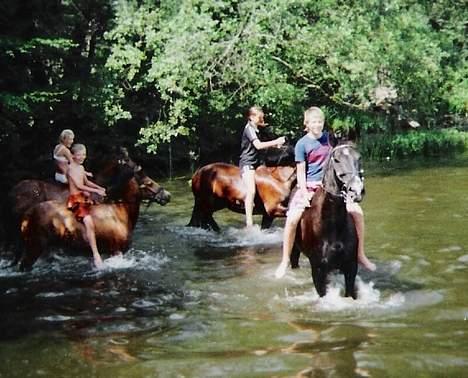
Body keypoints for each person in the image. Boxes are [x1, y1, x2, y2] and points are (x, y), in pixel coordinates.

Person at [275, 106, 375, 279]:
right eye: (314, 122)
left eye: (320, 121)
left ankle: (360, 254)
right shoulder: (302, 144)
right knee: (292, 219)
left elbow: (343, 156)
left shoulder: (330, 139)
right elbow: (301, 171)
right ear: (306, 124)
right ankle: (285, 259)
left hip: (333, 186)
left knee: (358, 212)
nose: (318, 125)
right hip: (310, 185)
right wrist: (305, 191)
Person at [239, 106, 286, 227]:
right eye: (260, 117)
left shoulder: (257, 129)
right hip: (248, 163)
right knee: (251, 190)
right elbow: (258, 145)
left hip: (258, 163)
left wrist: (275, 146)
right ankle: (249, 223)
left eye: (262, 117)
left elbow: (263, 145)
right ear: (251, 117)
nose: (262, 119)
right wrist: (275, 142)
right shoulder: (249, 129)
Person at [67, 144, 106, 269]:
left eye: (84, 154)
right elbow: (79, 185)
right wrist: (96, 192)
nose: (82, 157)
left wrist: (99, 187)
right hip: (76, 199)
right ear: (73, 156)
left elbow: (87, 182)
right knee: (88, 221)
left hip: (84, 197)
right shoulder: (71, 169)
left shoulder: (81, 167)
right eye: (79, 155)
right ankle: (96, 255)